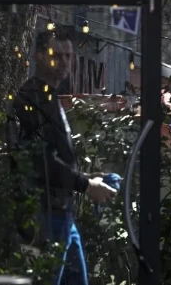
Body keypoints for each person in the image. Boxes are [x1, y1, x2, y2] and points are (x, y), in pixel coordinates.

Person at [14, 30, 119, 285]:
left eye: (68, 56)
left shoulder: (49, 97)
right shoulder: (33, 99)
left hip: (62, 214)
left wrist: (88, 178)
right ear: (39, 56)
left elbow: (51, 158)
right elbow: (41, 160)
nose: (64, 63)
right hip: (44, 215)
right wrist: (85, 184)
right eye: (57, 56)